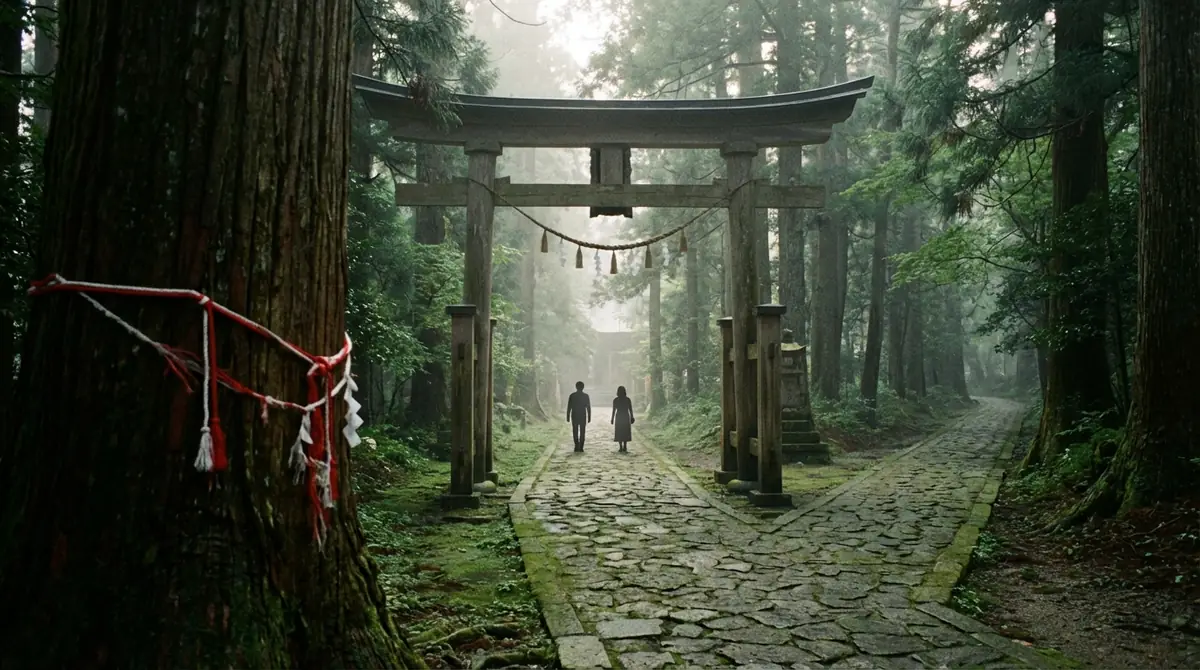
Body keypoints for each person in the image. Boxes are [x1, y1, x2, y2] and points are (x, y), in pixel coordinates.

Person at [566, 381, 591, 452]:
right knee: (582, 431)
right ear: (583, 387)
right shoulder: (586, 396)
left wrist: (567, 416)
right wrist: (589, 416)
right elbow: (588, 407)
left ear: (576, 387)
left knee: (575, 430)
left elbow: (569, 407)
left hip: (574, 415)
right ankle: (581, 447)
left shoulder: (572, 395)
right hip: (582, 415)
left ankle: (576, 445)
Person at [611, 386, 635, 453]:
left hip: (619, 416)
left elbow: (614, 410)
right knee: (625, 431)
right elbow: (630, 409)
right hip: (625, 416)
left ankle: (620, 447)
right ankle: (625, 445)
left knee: (619, 431)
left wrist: (612, 418)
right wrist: (632, 417)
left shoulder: (616, 400)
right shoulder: (627, 400)